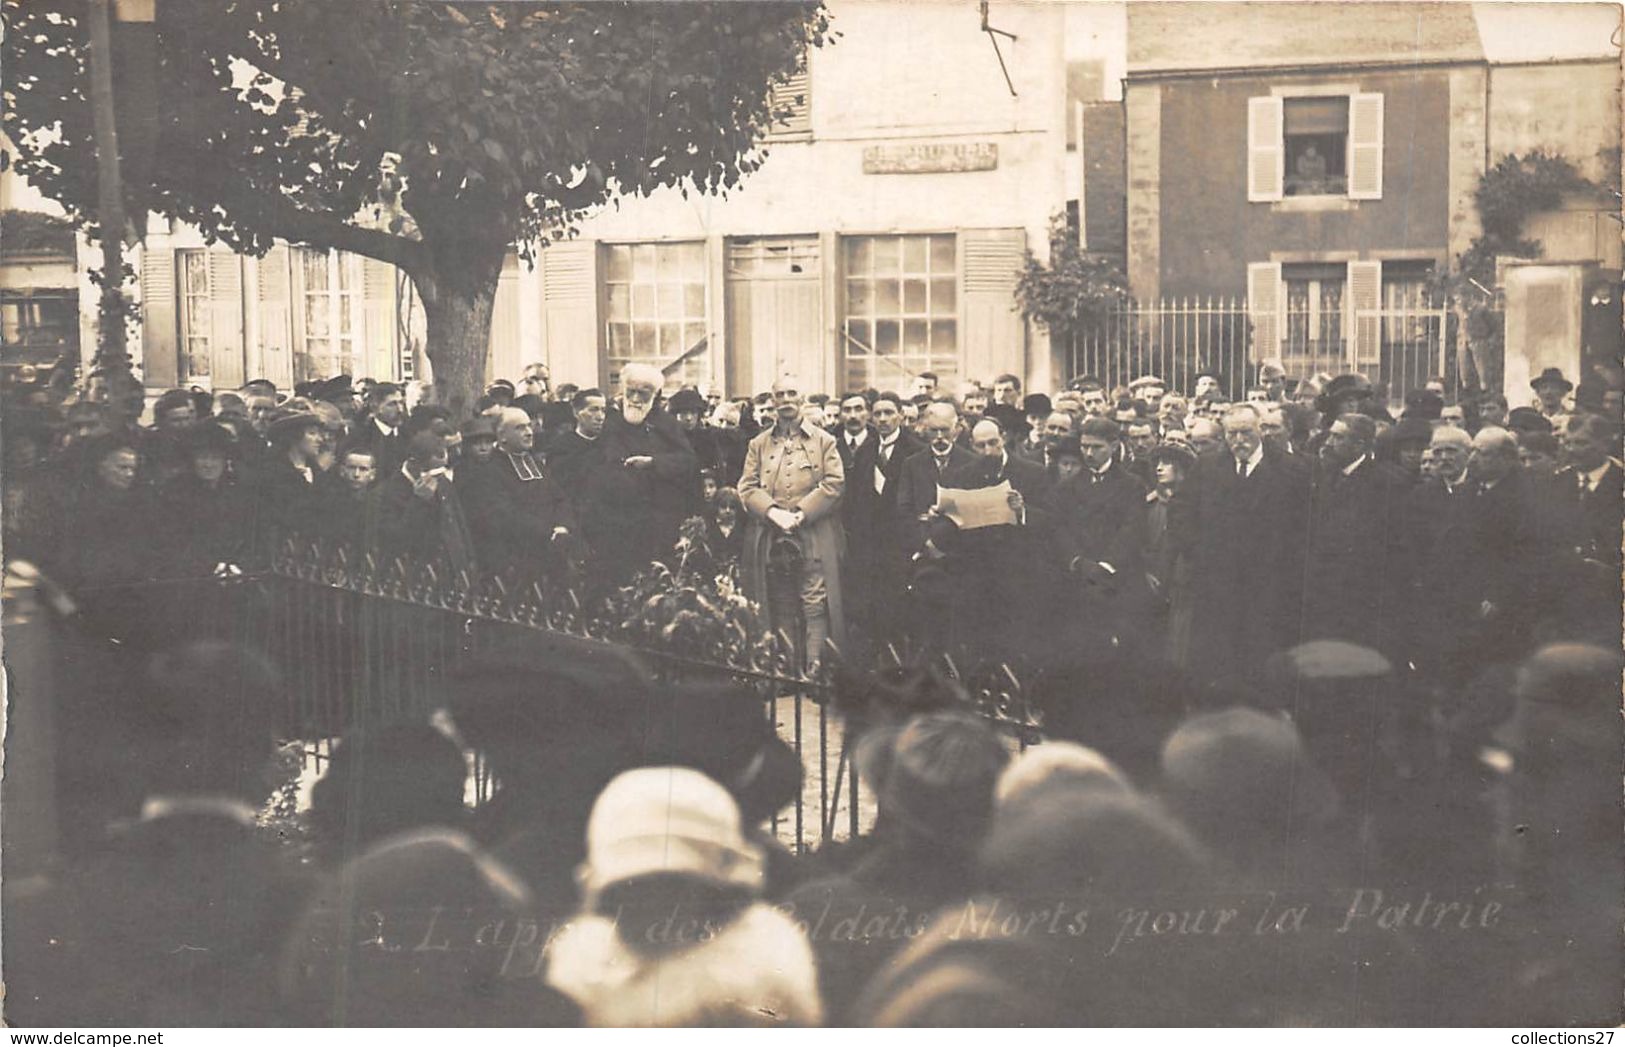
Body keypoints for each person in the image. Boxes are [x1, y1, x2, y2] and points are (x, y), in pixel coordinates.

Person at [545, 767, 822, 1027]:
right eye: (632, 888)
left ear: (715, 889)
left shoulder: (758, 963)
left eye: (672, 885)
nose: (653, 902)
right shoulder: (587, 963)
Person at [1185, 405, 1311, 689]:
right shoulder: (1206, 466)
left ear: (1261, 432)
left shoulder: (1292, 469)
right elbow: (1183, 513)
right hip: (1219, 583)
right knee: (1220, 659)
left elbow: (1304, 526)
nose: (1238, 440)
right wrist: (1200, 553)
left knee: (1263, 657)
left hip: (1270, 584)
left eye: (1246, 433)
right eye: (1232, 434)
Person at [737, 376, 847, 671]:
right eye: (780, 395)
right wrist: (773, 513)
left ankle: (814, 670)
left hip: (813, 533)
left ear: (803, 398)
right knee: (781, 600)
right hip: (772, 536)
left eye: (792, 394)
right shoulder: (757, 444)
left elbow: (835, 483)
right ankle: (788, 671)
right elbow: (746, 488)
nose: (786, 399)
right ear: (772, 401)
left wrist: (800, 514)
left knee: (814, 601)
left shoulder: (825, 441)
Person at [590, 364, 698, 577]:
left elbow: (688, 461)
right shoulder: (610, 422)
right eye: (631, 392)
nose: (636, 399)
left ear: (655, 395)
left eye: (643, 393)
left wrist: (653, 462)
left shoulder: (666, 424)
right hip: (617, 521)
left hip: (657, 522)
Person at [459, 407, 578, 584]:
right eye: (520, 428)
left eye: (529, 426)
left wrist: (563, 526)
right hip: (516, 558)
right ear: (502, 435)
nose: (529, 432)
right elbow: (503, 515)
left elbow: (559, 498)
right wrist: (548, 532)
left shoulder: (535, 463)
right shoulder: (488, 470)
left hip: (553, 547)